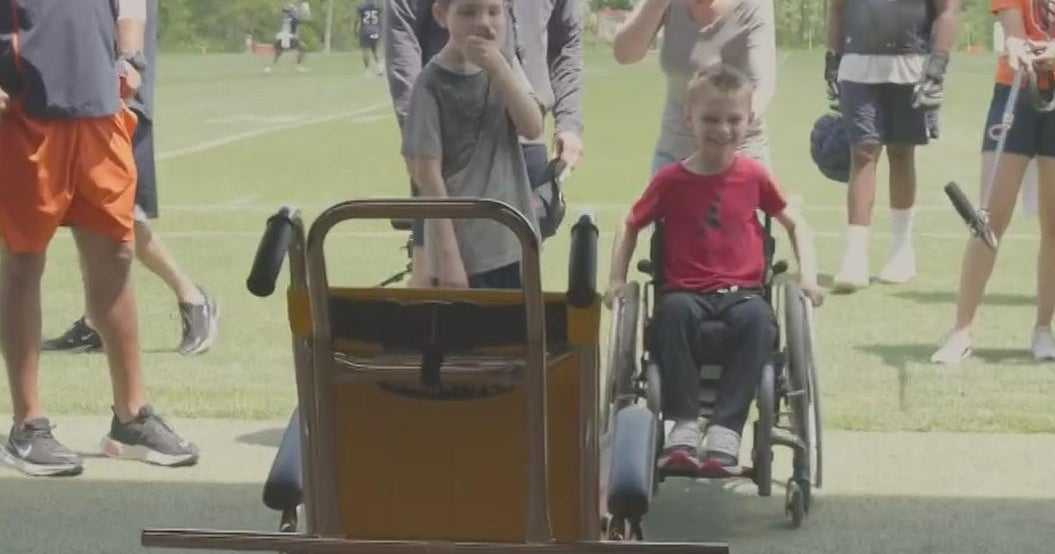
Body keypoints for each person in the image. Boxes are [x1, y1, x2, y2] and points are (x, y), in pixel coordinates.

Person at [0, 0, 199, 477]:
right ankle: (27, 424)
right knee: (24, 261)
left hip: (101, 107)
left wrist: (130, 57)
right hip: (26, 107)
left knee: (116, 252)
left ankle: (130, 418)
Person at [604, 67, 822, 474]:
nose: (722, 129)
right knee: (672, 314)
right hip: (685, 294)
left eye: (734, 119)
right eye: (710, 119)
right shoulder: (670, 180)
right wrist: (616, 279)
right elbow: (629, 222)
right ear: (689, 118)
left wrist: (807, 276)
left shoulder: (754, 175)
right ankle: (683, 425)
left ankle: (726, 429)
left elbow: (795, 222)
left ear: (750, 120)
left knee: (760, 321)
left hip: (743, 294)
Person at [42, 0, 221, 357]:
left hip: (116, 97)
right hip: (79, 95)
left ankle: (193, 298)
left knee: (121, 214)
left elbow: (131, 11)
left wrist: (129, 62)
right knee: (85, 211)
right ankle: (96, 320)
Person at [384, 0, 585, 286]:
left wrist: (500, 69)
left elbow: (531, 126)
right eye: (468, 12)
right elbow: (428, 176)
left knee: (514, 327)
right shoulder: (430, 84)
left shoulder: (504, 67)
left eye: (494, 11)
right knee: (462, 325)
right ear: (442, 15)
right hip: (463, 251)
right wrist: (449, 257)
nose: (484, 23)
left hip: (511, 245)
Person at [931, 0, 1055, 364]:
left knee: (1054, 223)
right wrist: (1017, 46)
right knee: (989, 220)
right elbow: (1013, 29)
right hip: (1015, 90)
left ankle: (1044, 328)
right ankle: (961, 332)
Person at [824, 0, 960, 291]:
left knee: (901, 154)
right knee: (862, 153)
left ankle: (901, 251)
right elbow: (837, 8)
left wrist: (938, 63)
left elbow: (948, 9)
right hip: (856, 62)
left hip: (911, 62)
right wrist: (832, 58)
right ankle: (855, 256)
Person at [612, 0, 778, 175]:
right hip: (675, 156)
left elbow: (763, 87)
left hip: (741, 157)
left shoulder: (753, 4)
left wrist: (726, 131)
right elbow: (625, 54)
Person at [266, 3, 309, 73]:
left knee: (278, 54)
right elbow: (303, 19)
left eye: (286, 12)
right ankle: (299, 67)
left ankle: (269, 68)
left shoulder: (285, 19)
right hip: (290, 38)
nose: (285, 14)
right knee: (303, 48)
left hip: (280, 38)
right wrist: (304, 12)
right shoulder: (294, 19)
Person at [356, 0, 385, 77]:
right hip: (375, 30)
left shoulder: (361, 7)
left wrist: (357, 31)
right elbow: (381, 19)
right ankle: (380, 68)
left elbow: (359, 21)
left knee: (366, 50)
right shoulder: (378, 6)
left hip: (365, 30)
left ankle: (367, 70)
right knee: (375, 49)